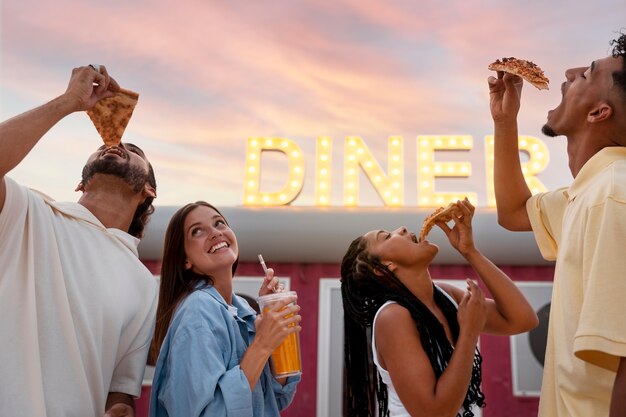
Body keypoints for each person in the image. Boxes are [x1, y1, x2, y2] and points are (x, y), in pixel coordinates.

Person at [0, 65, 159, 417]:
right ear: (80, 183)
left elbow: (119, 390)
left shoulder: (144, 285)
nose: (117, 143)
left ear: (148, 190)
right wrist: (67, 102)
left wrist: (121, 408)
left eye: (133, 148)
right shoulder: (28, 213)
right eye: (109, 142)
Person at [488, 32, 626, 417]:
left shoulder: (613, 195)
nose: (569, 72)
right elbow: (514, 212)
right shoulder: (591, 191)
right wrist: (504, 121)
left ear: (599, 112)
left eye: (587, 75)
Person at [341, 198, 538, 417]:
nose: (403, 228)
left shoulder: (445, 295)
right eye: (387, 236)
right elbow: (433, 413)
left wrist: (470, 251)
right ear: (384, 267)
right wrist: (469, 332)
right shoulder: (393, 317)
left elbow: (523, 319)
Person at [148, 201, 301, 417]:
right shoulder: (198, 311)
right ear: (185, 260)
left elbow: (275, 397)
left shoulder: (242, 311)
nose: (214, 233)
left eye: (219, 223)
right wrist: (262, 344)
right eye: (197, 231)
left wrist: (277, 333)